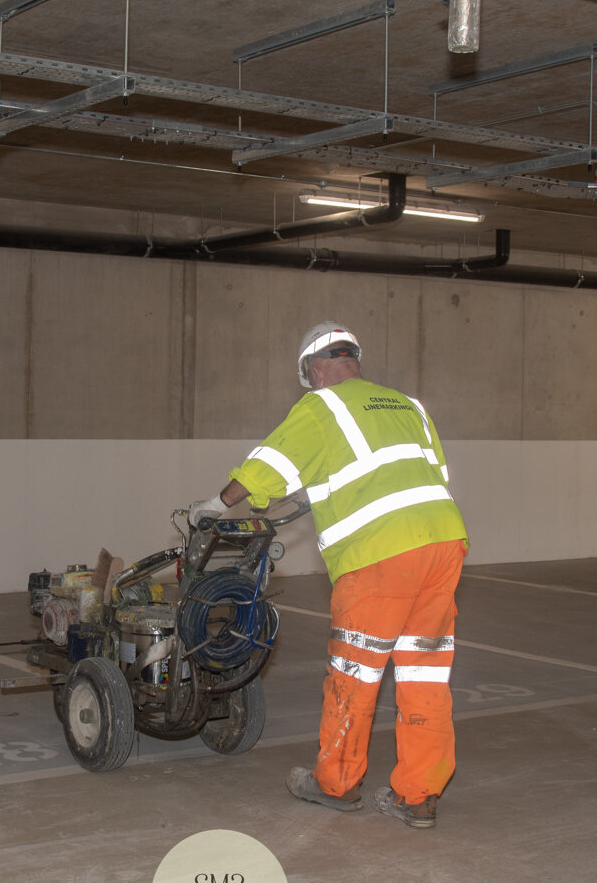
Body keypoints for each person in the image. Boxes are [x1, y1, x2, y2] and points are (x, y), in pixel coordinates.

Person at [189, 320, 467, 829]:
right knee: (424, 674)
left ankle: (336, 784)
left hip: (381, 557)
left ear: (315, 369)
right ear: (352, 359)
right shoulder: (409, 405)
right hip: (443, 544)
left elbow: (266, 468)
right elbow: (423, 475)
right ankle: (419, 796)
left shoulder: (322, 405)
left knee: (355, 675)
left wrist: (216, 503)